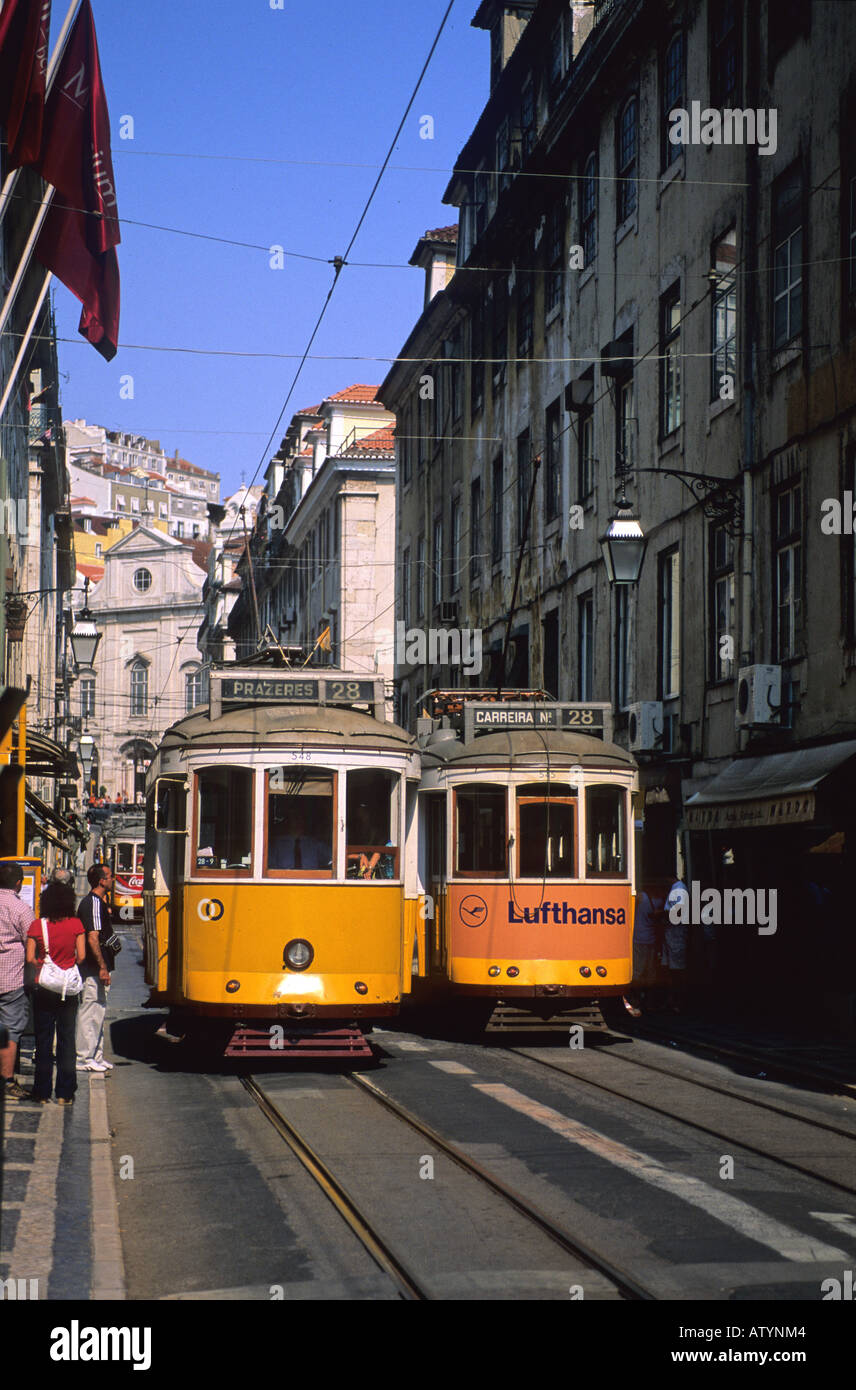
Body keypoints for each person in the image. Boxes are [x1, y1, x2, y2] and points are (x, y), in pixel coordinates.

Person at [25, 880, 85, 1105]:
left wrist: (44, 964)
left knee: (43, 1040)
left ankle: (42, 1092)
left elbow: (30, 957)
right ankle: (65, 1093)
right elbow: (81, 956)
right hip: (67, 990)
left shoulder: (36, 926)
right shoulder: (76, 925)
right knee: (67, 1039)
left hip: (44, 987)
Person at [0, 861, 37, 1102]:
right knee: (10, 1030)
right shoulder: (21, 909)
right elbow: (32, 943)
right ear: (18, 883)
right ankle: (7, 1080)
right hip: (10, 979)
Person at [75, 864, 115, 1074]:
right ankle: (84, 1057)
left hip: (100, 967)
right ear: (101, 881)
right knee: (90, 1010)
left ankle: (96, 1055)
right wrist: (102, 966)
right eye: (109, 876)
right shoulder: (92, 903)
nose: (112, 879)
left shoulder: (99, 901)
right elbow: (93, 937)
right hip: (93, 967)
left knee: (99, 1010)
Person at [663, 874, 690, 1012]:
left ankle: (677, 1002)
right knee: (674, 968)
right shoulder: (677, 888)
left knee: (677, 969)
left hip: (676, 932)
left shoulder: (678, 889)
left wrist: (664, 917)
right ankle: (674, 1001)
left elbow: (677, 911)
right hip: (673, 933)